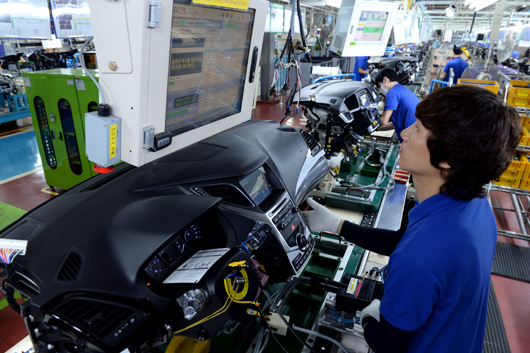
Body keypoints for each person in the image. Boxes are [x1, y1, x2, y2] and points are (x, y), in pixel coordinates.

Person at [302, 85, 522, 353]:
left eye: (417, 129)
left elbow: (387, 344)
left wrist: (369, 317)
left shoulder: (420, 259)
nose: (404, 133)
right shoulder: (475, 205)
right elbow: (403, 242)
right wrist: (339, 226)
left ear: (447, 159)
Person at [375, 67, 419, 142]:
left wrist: (366, 128)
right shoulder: (402, 89)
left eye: (380, 86)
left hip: (411, 138)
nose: (380, 90)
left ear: (386, 80)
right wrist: (377, 128)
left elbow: (383, 121)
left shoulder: (392, 92)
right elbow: (396, 124)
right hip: (417, 134)